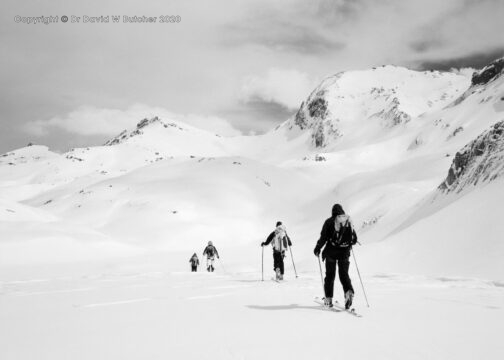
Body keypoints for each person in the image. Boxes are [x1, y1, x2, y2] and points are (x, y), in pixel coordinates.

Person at [313, 204, 357, 309]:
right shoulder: (347, 221)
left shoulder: (329, 222)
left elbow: (323, 237)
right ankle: (348, 292)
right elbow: (354, 239)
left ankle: (328, 299)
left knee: (330, 276)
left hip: (331, 252)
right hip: (344, 253)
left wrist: (318, 248)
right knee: (344, 274)